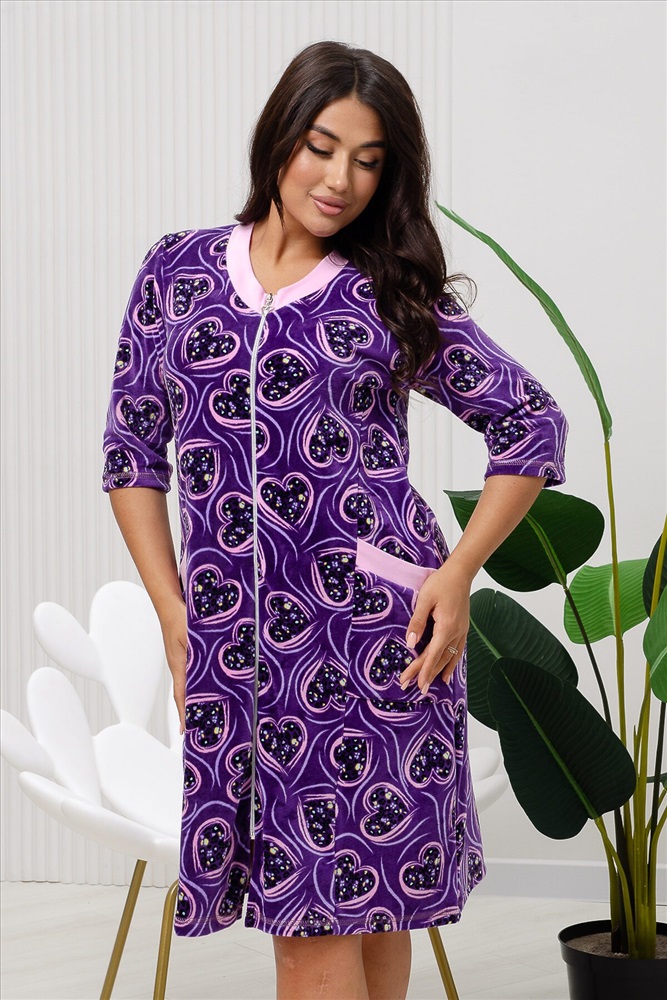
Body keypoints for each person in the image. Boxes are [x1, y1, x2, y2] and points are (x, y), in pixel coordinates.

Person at [102, 40, 567, 1000]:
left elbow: (530, 422)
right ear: (279, 137)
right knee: (340, 921)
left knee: (341, 919)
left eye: (368, 160)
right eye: (321, 147)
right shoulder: (176, 273)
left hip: (376, 642)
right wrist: (172, 611)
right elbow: (132, 454)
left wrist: (457, 572)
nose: (340, 179)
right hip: (235, 655)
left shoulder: (384, 291)